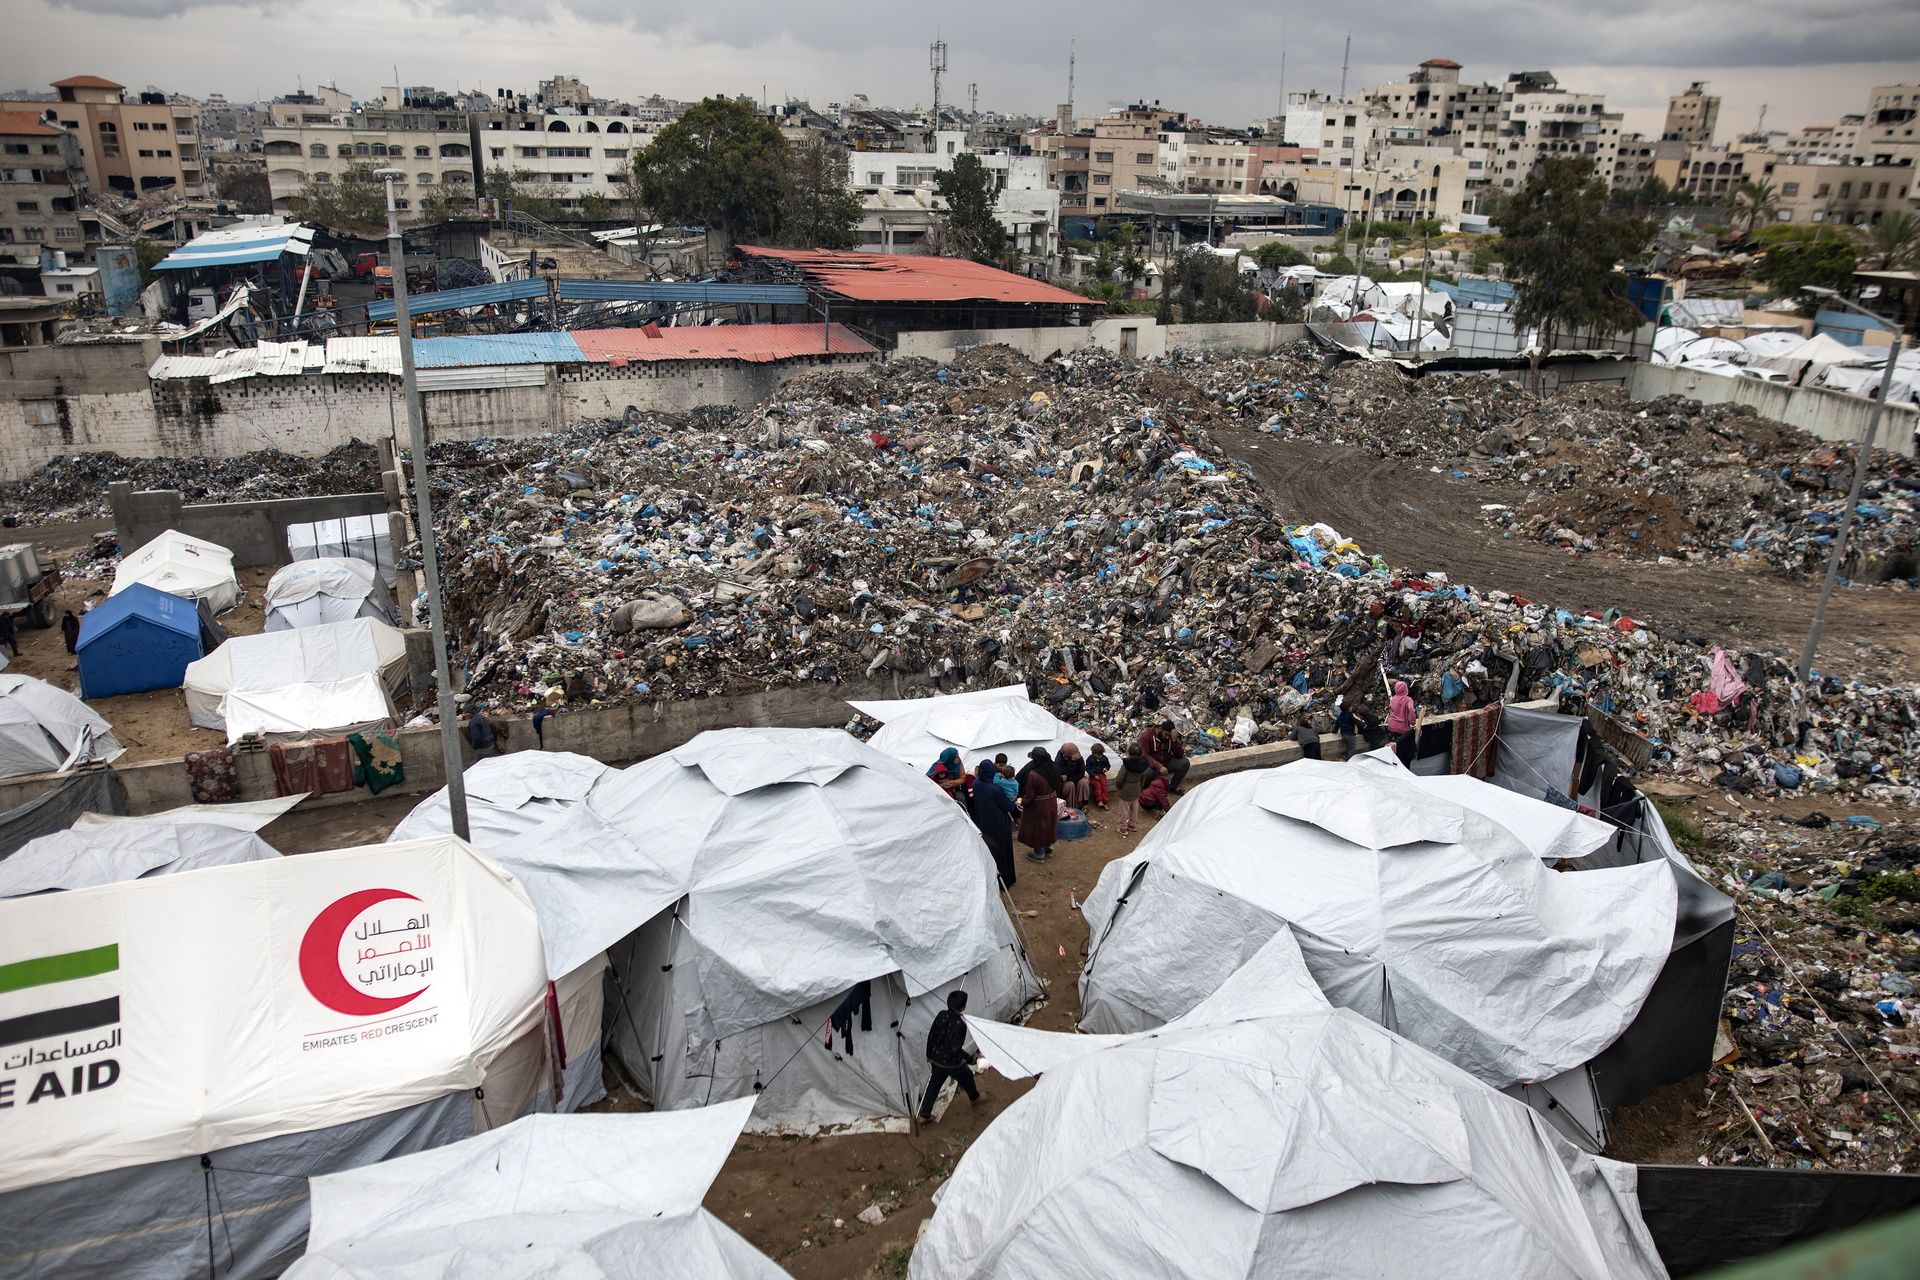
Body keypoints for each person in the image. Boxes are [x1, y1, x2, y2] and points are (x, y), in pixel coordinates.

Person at [917, 990, 984, 1123]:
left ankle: (924, 1114)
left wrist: (929, 1054)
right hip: (952, 1062)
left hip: (936, 1059)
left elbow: (931, 1035)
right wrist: (972, 1059)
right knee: (967, 1075)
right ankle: (974, 1098)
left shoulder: (941, 1015)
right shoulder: (960, 1025)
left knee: (934, 1085)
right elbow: (955, 1049)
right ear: (963, 1007)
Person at [971, 760, 1020, 888]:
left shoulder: (976, 784)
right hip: (999, 826)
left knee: (990, 854)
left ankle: (991, 881)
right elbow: (1008, 806)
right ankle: (1004, 882)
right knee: (1003, 856)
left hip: (984, 824)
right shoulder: (995, 789)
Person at [1016, 748, 1059, 861]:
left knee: (1038, 829)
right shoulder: (1054, 767)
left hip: (1039, 805)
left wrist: (1023, 802)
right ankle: (1048, 849)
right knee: (1049, 824)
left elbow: (1029, 795)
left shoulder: (1034, 775)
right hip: (1052, 801)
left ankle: (1039, 854)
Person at [1137, 720, 1190, 794]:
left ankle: (1173, 787)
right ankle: (1146, 791)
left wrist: (1175, 741)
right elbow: (1144, 755)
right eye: (1165, 734)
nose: (1167, 737)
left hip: (1166, 762)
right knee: (1149, 772)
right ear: (1159, 729)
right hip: (1151, 765)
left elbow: (1179, 755)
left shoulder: (1169, 738)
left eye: (1169, 735)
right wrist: (1159, 766)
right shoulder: (1145, 737)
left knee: (1184, 762)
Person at [1112, 745, 1154, 836]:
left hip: (1126, 790)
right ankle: (1132, 825)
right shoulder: (1143, 765)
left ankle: (1122, 827)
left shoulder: (1126, 766)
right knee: (1134, 808)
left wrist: (1119, 787)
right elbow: (1143, 778)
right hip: (1136, 788)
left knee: (1124, 810)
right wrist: (1140, 788)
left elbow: (1119, 779)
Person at [1388, 679, 1418, 764]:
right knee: (1404, 752)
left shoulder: (1393, 699)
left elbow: (1391, 709)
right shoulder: (1408, 700)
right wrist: (1412, 721)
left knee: (1393, 751)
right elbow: (1411, 710)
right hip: (1403, 730)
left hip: (1391, 728)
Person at [1055, 743, 1090, 808]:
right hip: (1066, 781)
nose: (1077, 754)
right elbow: (1062, 773)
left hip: (1073, 777)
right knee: (1070, 785)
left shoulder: (1078, 757)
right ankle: (1072, 806)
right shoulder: (1059, 760)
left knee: (1083, 783)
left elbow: (1081, 771)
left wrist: (1070, 778)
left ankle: (1085, 803)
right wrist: (1072, 762)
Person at [1086, 742, 1112, 809]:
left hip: (1102, 774)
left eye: (1101, 754)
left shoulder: (1104, 758)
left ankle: (1105, 801)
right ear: (1093, 753)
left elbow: (1108, 765)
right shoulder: (1090, 759)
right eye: (1098, 755)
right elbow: (1088, 768)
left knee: (1104, 787)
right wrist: (1093, 775)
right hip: (1094, 776)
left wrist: (1106, 769)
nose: (1100, 756)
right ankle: (1099, 800)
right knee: (1098, 787)